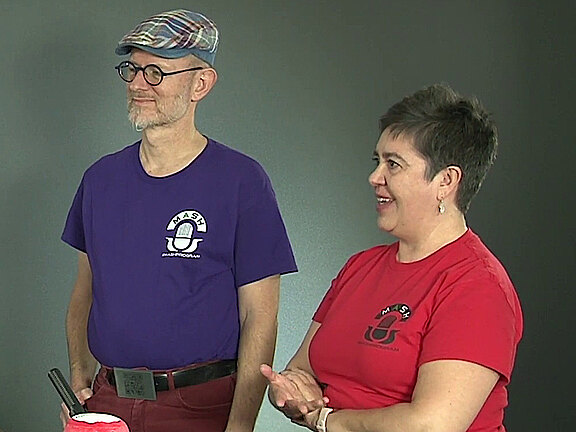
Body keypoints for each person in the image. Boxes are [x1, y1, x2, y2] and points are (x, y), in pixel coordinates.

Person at [60, 9, 297, 432]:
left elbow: (259, 318)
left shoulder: (242, 182)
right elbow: (84, 292)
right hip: (108, 401)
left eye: (156, 72)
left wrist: (240, 426)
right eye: (132, 69)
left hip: (198, 407)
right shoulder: (100, 180)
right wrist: (80, 375)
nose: (138, 84)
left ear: (200, 84)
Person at [260, 84, 523, 432]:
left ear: (446, 181)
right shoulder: (360, 267)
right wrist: (292, 391)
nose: (374, 177)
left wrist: (327, 421)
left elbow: (432, 426)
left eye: (393, 164)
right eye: (377, 161)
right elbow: (302, 369)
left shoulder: (478, 286)